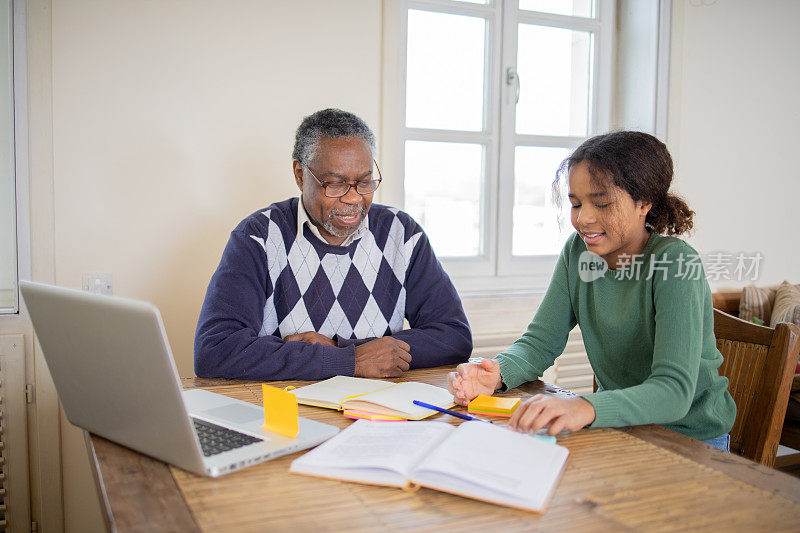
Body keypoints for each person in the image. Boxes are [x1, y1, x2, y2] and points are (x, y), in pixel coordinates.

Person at [448, 131, 736, 451]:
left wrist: (586, 406)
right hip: (622, 430)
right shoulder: (579, 253)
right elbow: (541, 342)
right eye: (576, 203)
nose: (583, 218)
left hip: (690, 440)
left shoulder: (675, 263)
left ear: (644, 203)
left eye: (601, 203)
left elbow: (673, 392)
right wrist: (496, 374)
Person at [195, 108, 472, 381]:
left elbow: (454, 335)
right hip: (286, 415)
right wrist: (350, 362)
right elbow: (215, 349)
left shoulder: (402, 233)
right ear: (300, 175)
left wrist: (346, 351)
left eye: (364, 182)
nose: (353, 198)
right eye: (335, 184)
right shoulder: (258, 237)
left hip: (375, 412)